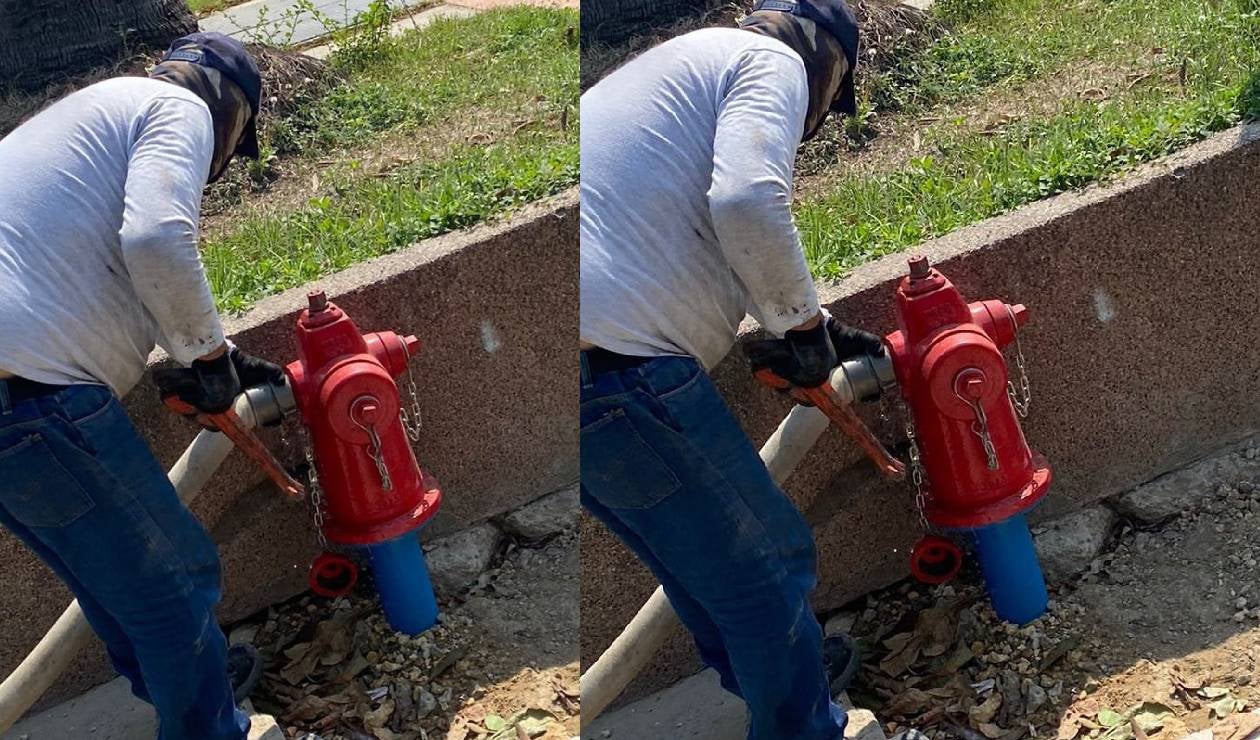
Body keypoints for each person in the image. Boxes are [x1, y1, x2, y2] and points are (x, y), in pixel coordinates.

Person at [579, 1, 885, 738]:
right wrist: (802, 329)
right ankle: (801, 725)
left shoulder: (681, 66)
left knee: (705, 572)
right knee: (767, 566)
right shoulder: (772, 62)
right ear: (827, 61)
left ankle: (772, 692)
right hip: (626, 375)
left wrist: (806, 325)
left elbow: (662, 226)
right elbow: (747, 199)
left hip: (583, 383)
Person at [0, 32, 283, 740]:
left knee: (116, 584)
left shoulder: (95, 113)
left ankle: (188, 696)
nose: (219, 167)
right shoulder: (176, 108)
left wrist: (216, 354)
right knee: (174, 581)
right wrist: (210, 365)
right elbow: (156, 239)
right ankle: (207, 727)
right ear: (231, 110)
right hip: (34, 395)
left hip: (17, 397)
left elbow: (76, 264)